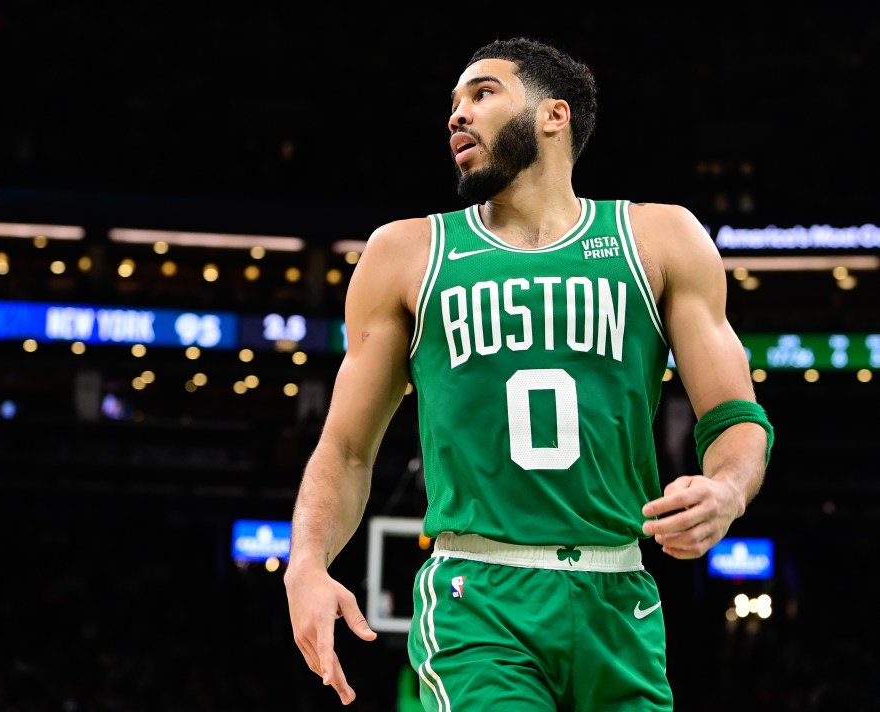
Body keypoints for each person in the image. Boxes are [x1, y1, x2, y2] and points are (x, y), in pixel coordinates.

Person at [283, 35, 774, 710]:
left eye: (482, 94)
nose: (458, 114)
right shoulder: (406, 253)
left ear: (555, 115)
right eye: (452, 103)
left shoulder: (660, 239)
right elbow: (345, 449)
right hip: (478, 598)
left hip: (620, 595)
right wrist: (305, 563)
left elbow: (736, 419)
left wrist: (728, 490)